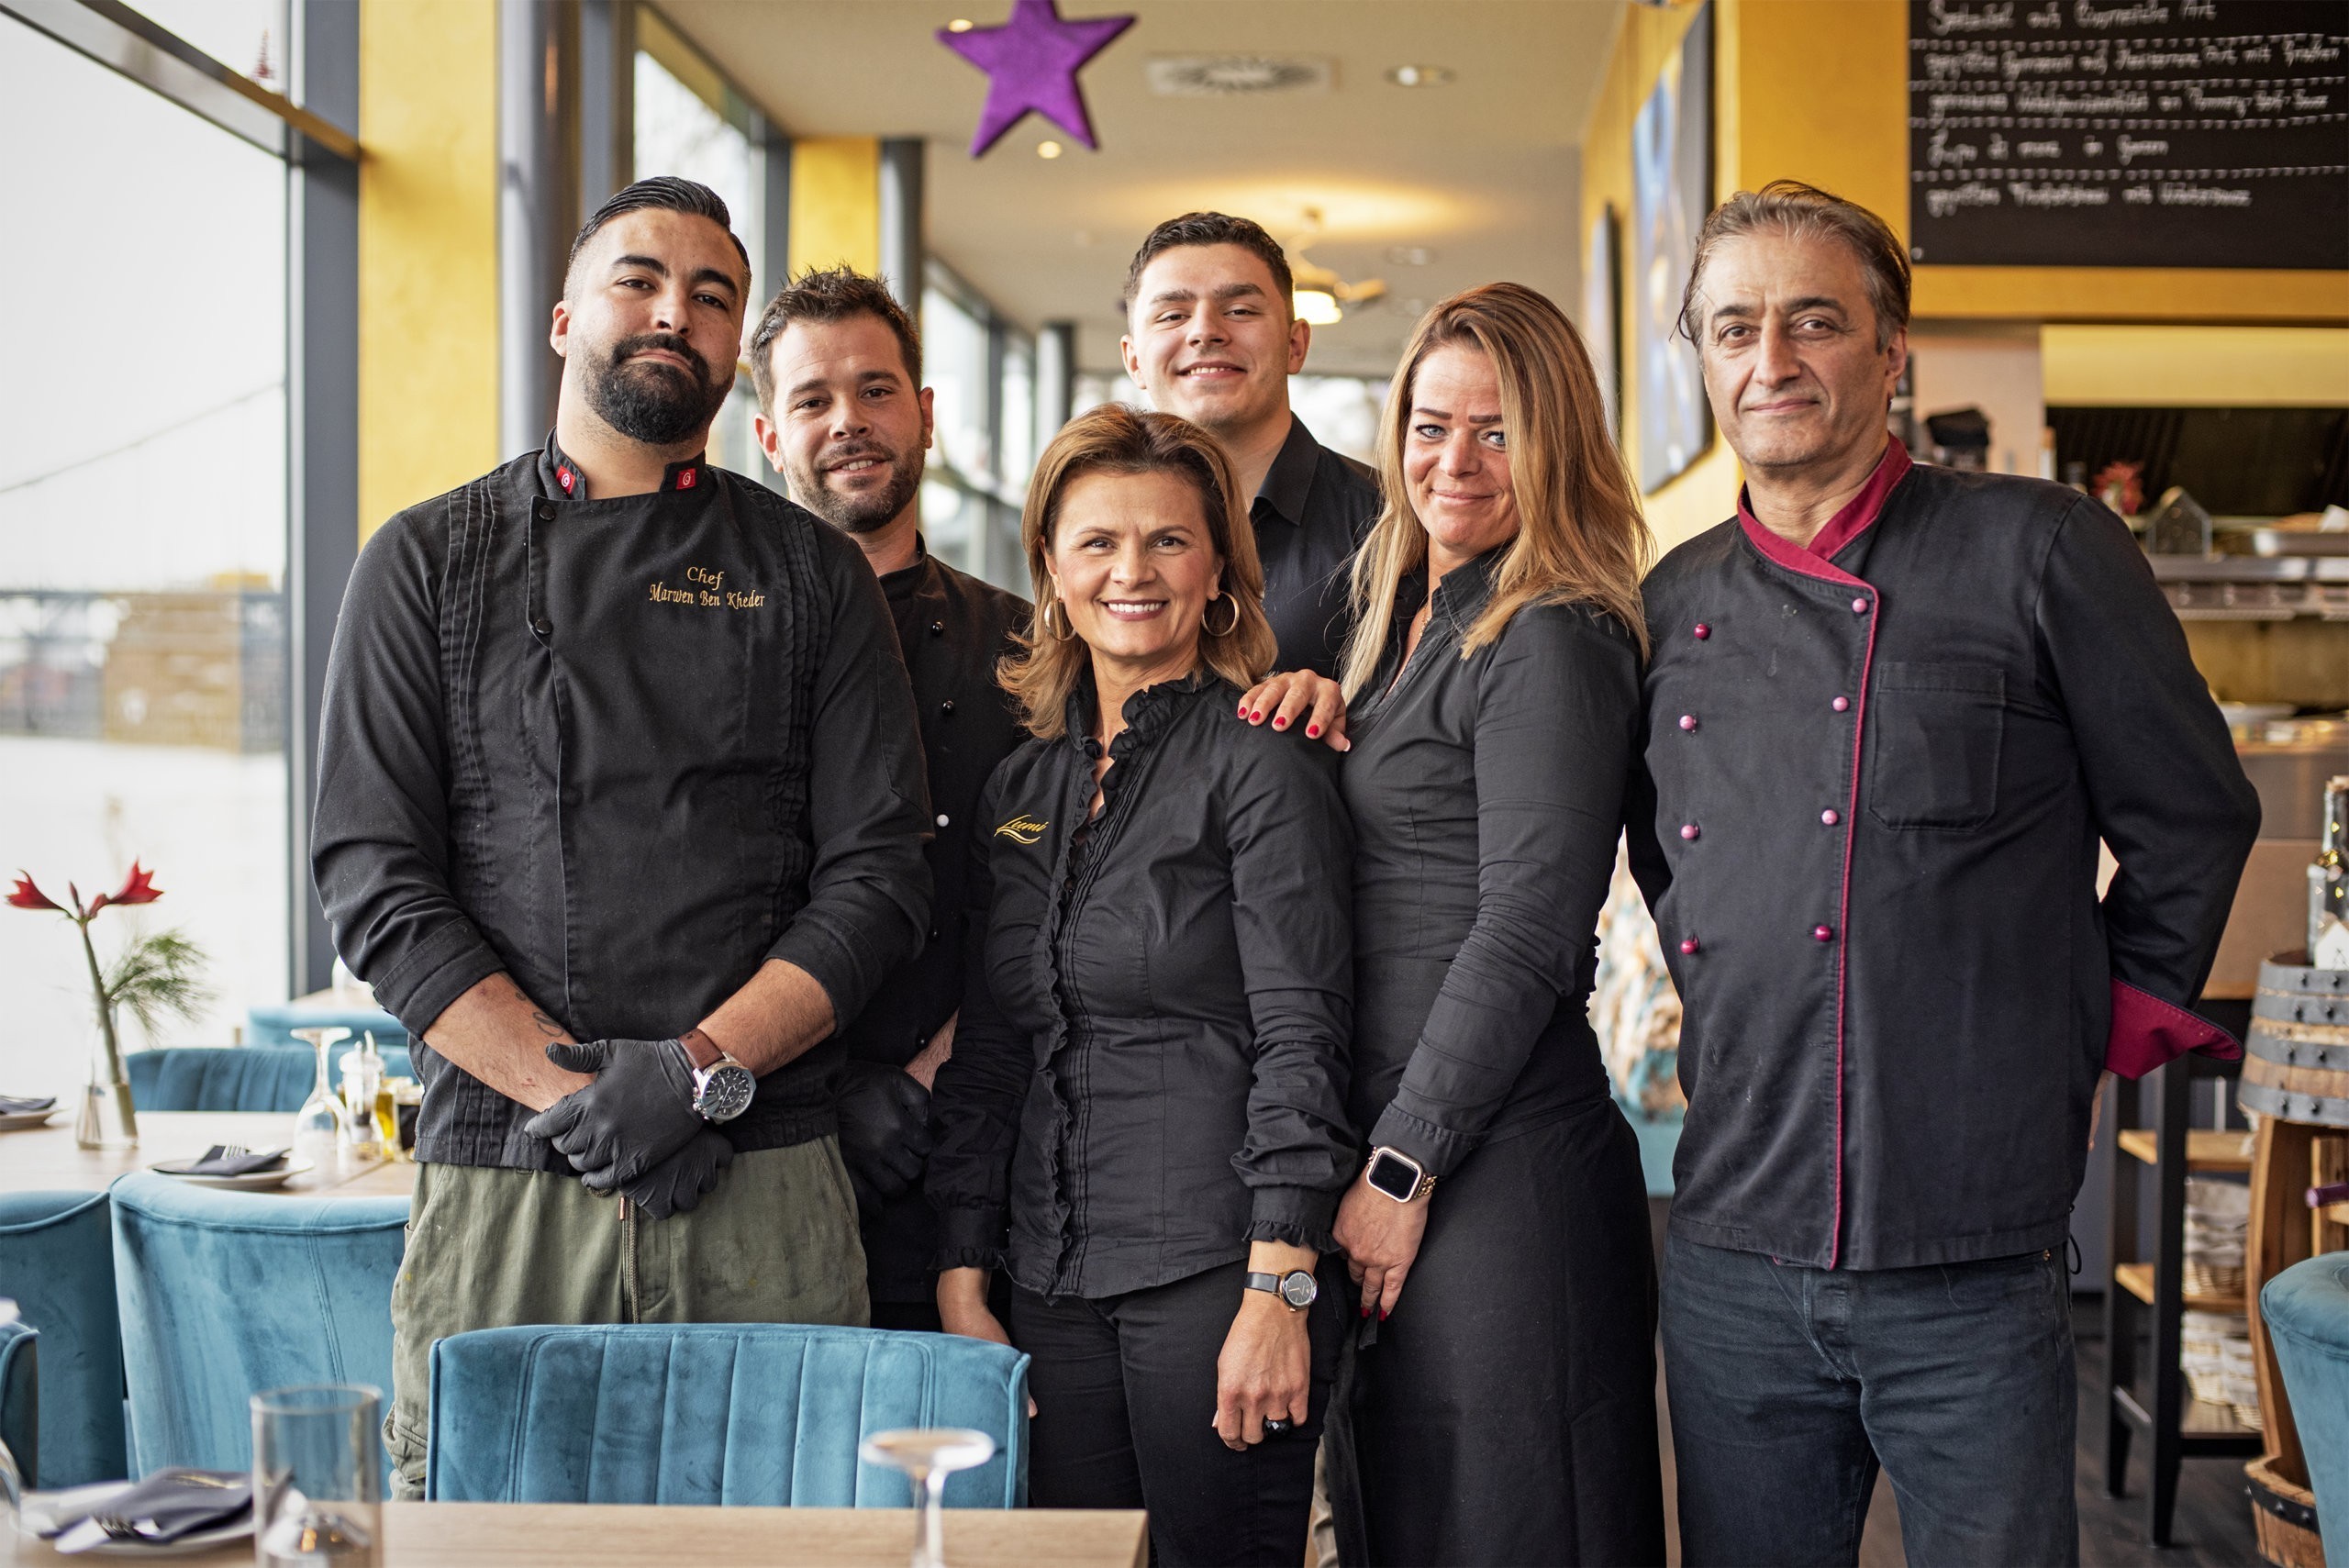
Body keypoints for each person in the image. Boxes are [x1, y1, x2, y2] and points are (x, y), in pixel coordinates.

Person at [1628, 181, 2260, 1566]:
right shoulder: (1670, 604)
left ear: (1891, 346)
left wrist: (2095, 1020)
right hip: (1734, 1242)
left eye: (1813, 323)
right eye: (1734, 328)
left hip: (1971, 1250)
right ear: (1702, 353)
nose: (1771, 362)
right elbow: (1670, 872)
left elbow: (2192, 812)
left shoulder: (2038, 546)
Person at [312, 177, 930, 1495]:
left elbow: (879, 879)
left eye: (714, 296)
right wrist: (577, 1093)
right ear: (563, 318)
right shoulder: (422, 560)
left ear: (732, 349)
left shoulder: (813, 572)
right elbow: (375, 879)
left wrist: (701, 1066)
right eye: (640, 280)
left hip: (764, 1165)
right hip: (507, 1170)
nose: (676, 312)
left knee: (785, 1519)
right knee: (495, 1524)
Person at [928, 405, 1356, 1566]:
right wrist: (963, 1275)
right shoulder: (1024, 783)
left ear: (1218, 568)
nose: (1133, 570)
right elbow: (994, 1052)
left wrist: (1282, 1289)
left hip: (1213, 1275)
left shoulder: (1262, 759)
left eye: (1168, 540)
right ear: (1051, 571)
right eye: (1098, 541)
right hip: (1048, 1281)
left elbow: (1302, 1036)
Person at [1320, 283, 1666, 1567]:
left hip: (1493, 1169)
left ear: (1556, 441)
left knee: (1517, 1529)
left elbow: (1530, 927)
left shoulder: (1554, 630)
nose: (1452, 461)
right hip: (1404, 1153)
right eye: (1429, 423)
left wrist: (1402, 1163)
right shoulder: (1400, 619)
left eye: (1497, 430)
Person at [749, 265, 1029, 1331]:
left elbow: (1045, 907)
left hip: (958, 1147)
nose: (849, 422)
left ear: (925, 413)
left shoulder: (1025, 647)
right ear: (771, 437)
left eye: (875, 390)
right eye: (812, 400)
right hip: (753, 1143)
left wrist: (919, 1082)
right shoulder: (712, 630)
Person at [1121, 212, 1379, 681]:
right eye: (1173, 315)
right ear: (1134, 360)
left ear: (1296, 345)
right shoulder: (1094, 531)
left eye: (1239, 310)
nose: (1205, 331)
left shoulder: (1389, 527)